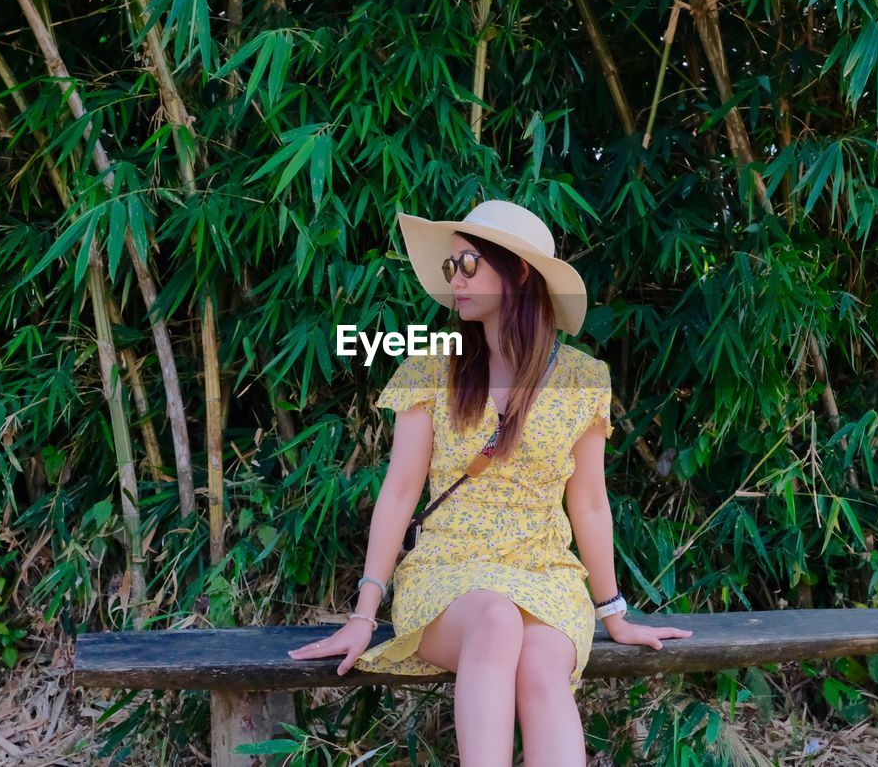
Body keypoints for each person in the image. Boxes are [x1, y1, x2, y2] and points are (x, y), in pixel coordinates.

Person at [287, 199, 692, 765]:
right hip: (448, 576)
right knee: (497, 619)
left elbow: (591, 506)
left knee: (542, 670)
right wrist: (363, 613)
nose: (455, 280)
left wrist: (613, 614)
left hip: (545, 574)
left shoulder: (581, 377)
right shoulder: (433, 366)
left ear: (519, 271)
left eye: (468, 264)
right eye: (450, 267)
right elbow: (400, 492)